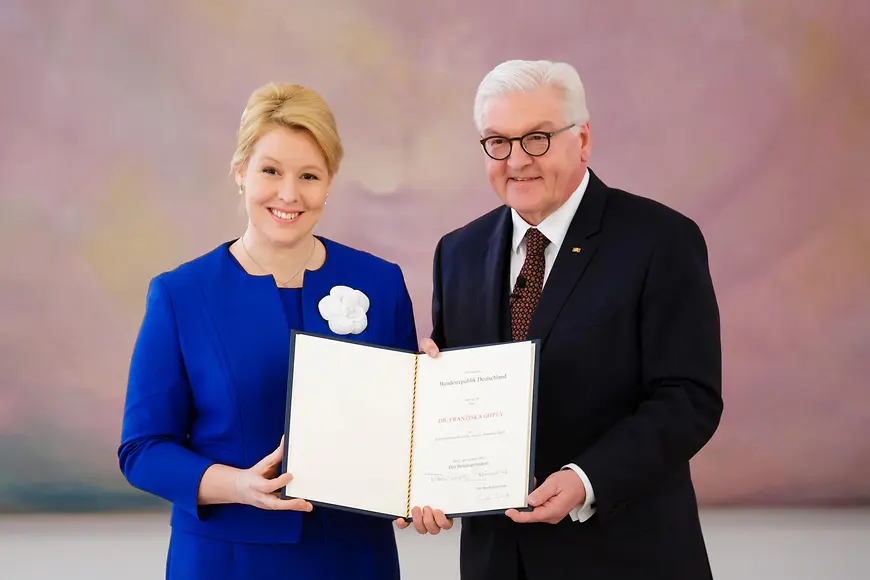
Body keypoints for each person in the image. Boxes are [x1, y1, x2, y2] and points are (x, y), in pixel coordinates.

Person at [400, 60, 723, 579]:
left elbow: (689, 399)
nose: (516, 160)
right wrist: (423, 424)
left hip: (625, 557)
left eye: (537, 138)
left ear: (583, 139)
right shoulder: (457, 252)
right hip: (496, 561)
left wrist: (585, 478)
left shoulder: (660, 240)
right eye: (498, 141)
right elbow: (460, 392)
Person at [118, 82, 418, 579]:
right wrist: (238, 485)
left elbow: (407, 429)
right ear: (241, 171)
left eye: (309, 175)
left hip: (354, 556)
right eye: (271, 171)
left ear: (329, 182)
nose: (289, 194)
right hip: (226, 558)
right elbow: (142, 450)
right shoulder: (181, 293)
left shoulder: (380, 283)